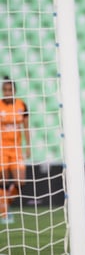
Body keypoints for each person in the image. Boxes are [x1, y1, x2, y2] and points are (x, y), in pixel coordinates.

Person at [0, 76, 30, 224]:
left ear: (14, 91)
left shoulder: (21, 105)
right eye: (4, 90)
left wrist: (28, 146)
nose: (7, 92)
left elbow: (26, 127)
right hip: (2, 149)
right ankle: (4, 213)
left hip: (16, 149)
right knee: (3, 182)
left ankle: (4, 205)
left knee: (21, 182)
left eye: (10, 90)